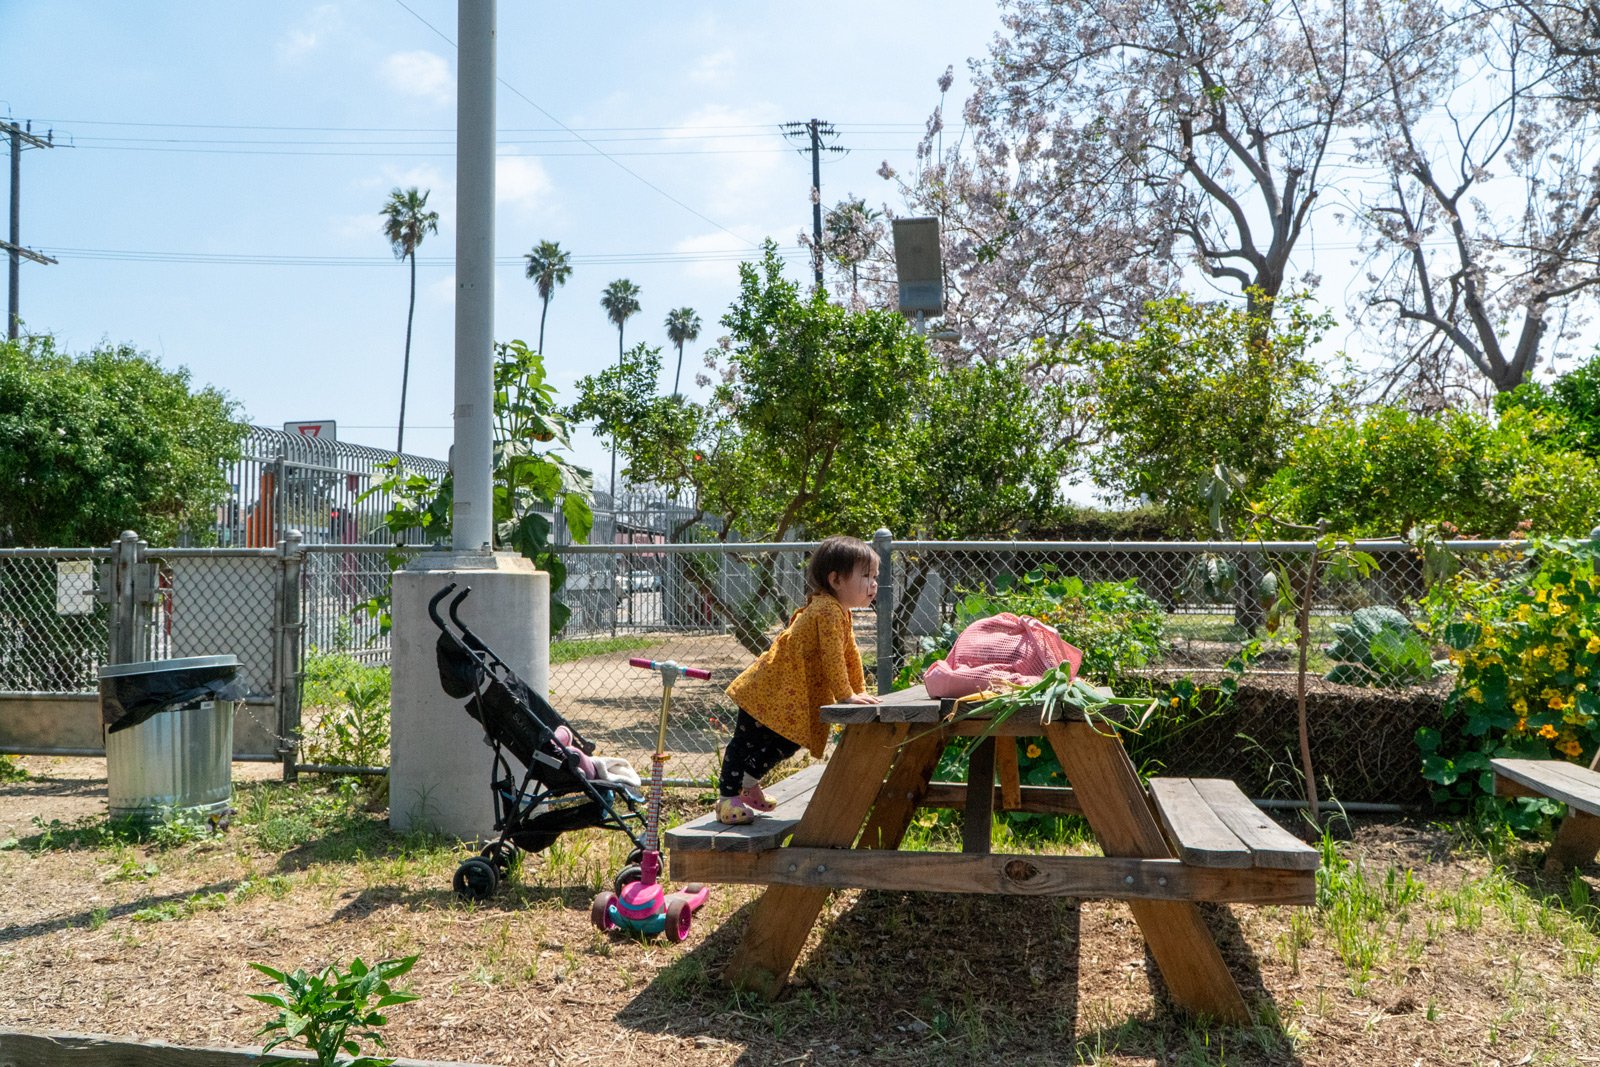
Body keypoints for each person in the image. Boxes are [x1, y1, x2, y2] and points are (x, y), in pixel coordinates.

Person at [714, 535, 882, 824]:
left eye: (875, 576)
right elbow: (832, 656)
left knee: (790, 741)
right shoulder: (826, 610)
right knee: (745, 742)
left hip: (784, 693)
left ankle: (748, 783)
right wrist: (846, 694)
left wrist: (858, 690)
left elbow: (850, 654)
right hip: (765, 688)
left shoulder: (840, 611)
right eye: (866, 576)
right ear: (836, 580)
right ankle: (727, 799)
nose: (874, 583)